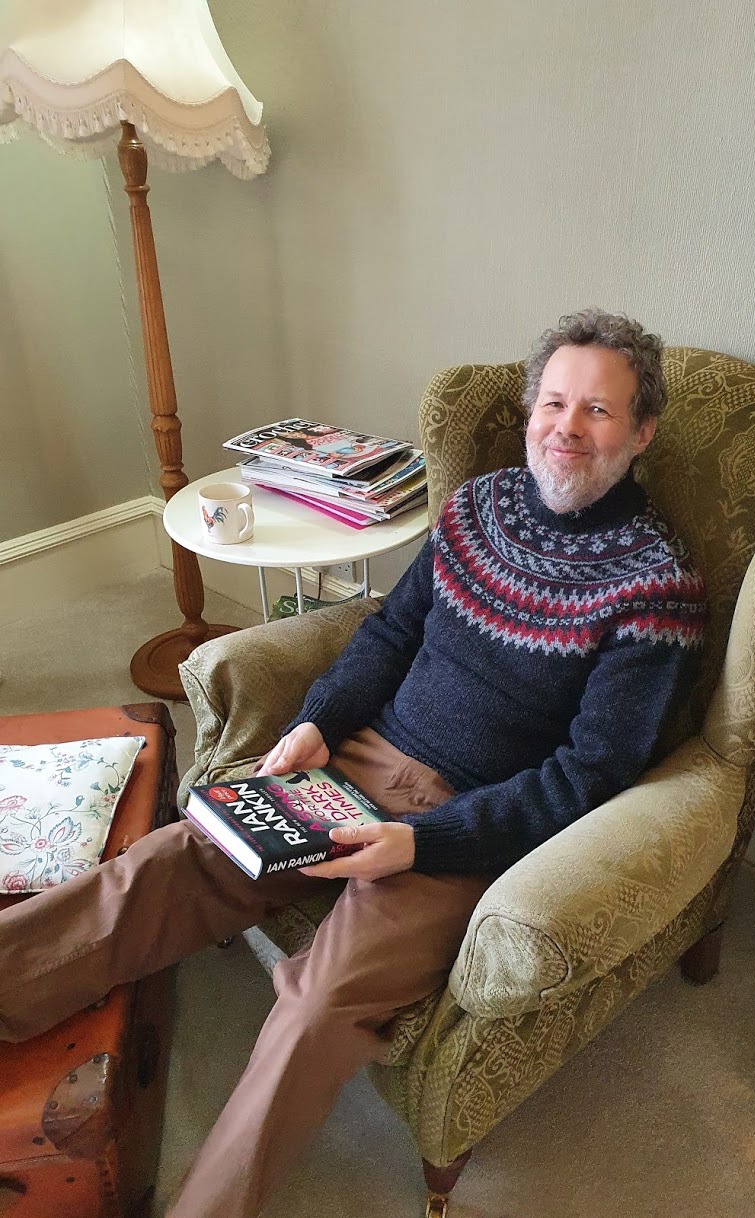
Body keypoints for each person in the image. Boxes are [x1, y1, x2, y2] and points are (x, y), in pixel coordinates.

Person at [0, 309, 706, 1218]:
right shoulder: (477, 507)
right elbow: (391, 631)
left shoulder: (655, 587)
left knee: (315, 1007)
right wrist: (318, 725)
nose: (567, 427)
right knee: (172, 860)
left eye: (598, 411)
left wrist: (421, 844)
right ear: (531, 409)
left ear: (641, 433)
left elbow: (588, 778)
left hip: (467, 832)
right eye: (555, 402)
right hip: (356, 764)